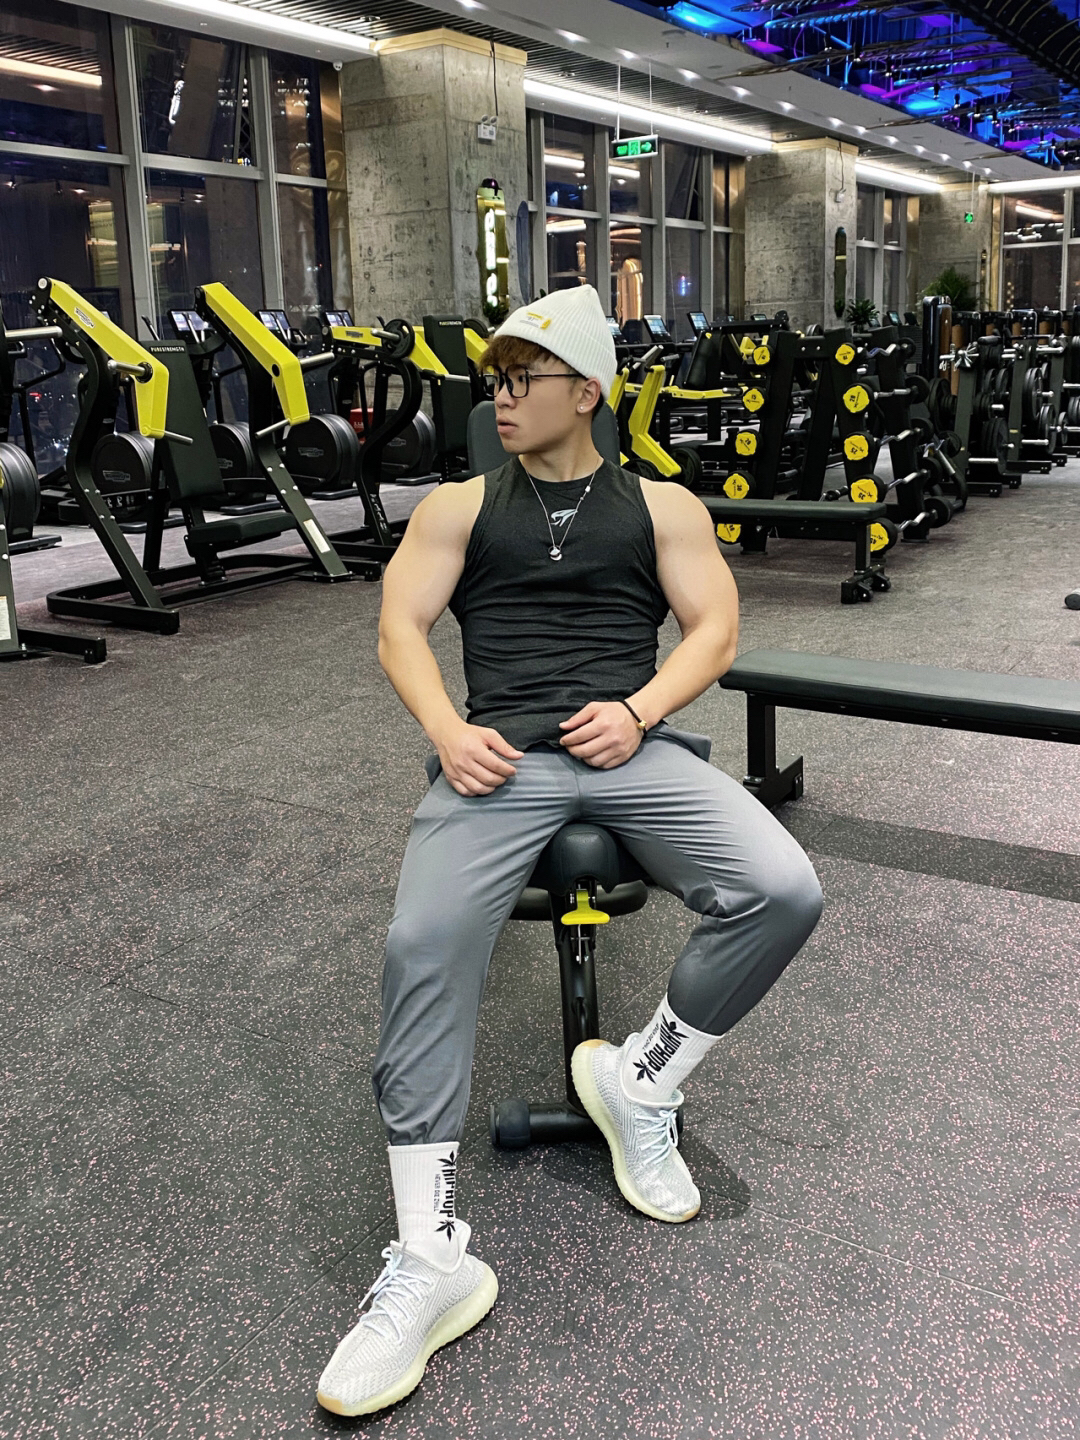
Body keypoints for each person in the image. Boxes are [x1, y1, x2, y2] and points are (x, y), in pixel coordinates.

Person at [316, 286, 823, 1417]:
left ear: (586, 392)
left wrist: (641, 710)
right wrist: (447, 730)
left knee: (782, 887)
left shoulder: (661, 506)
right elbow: (399, 627)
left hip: (631, 747)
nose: (499, 399)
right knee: (423, 945)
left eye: (521, 381)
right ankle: (432, 1258)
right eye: (493, 381)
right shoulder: (458, 506)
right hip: (499, 758)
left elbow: (716, 631)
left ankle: (640, 1083)